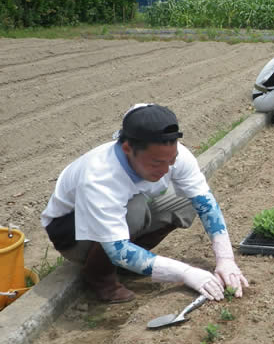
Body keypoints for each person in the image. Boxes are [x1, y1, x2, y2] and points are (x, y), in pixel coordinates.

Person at [41, 103, 249, 304]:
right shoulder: (100, 177)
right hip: (72, 234)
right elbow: (118, 250)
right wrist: (186, 273)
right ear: (127, 148)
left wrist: (226, 259)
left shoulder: (171, 155)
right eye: (157, 163)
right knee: (134, 210)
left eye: (172, 160)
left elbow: (206, 203)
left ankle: (130, 265)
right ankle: (99, 276)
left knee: (185, 201)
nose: (166, 169)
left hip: (120, 216)